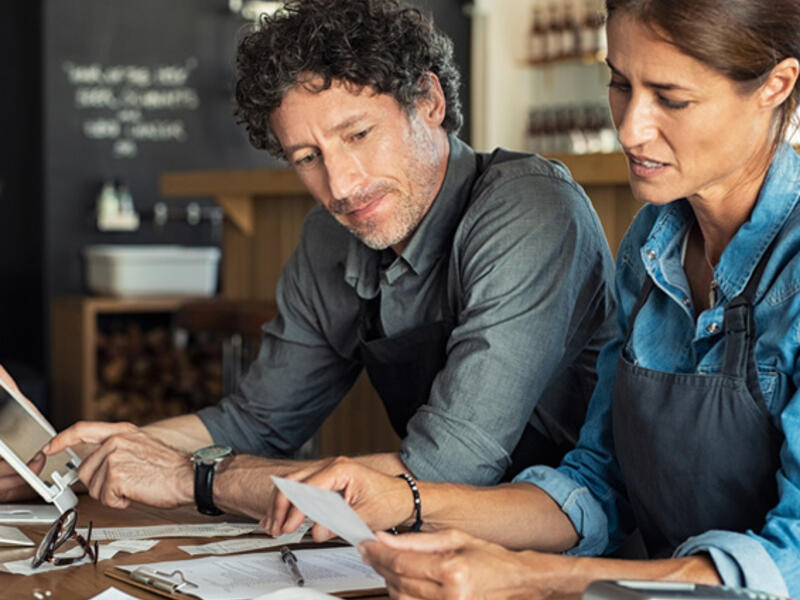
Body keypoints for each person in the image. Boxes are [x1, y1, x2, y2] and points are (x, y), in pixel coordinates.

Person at [266, 0, 800, 596]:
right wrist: (407, 500)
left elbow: (790, 560)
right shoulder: (652, 247)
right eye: (620, 84)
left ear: (776, 85)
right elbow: (598, 485)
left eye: (671, 99)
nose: (629, 128)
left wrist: (534, 576)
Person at [2, 0, 616, 517]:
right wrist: (72, 457)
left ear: (428, 100)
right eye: (306, 157)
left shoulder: (529, 209)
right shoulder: (330, 238)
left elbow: (449, 469)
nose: (342, 185)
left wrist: (198, 479)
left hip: (577, 550)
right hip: (438, 548)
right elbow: (256, 422)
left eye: (357, 135)